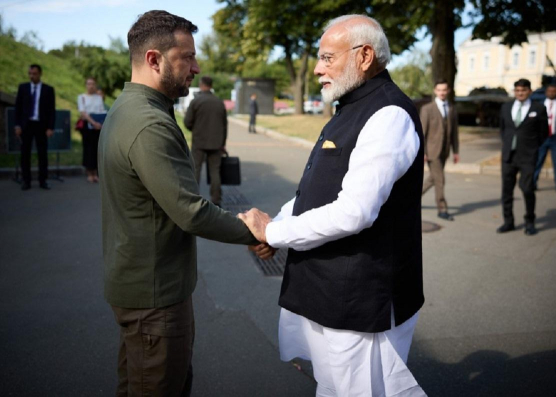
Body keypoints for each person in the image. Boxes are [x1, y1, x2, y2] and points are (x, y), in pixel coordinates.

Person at [239, 15, 426, 396]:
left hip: (359, 297)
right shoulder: (351, 106)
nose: (318, 69)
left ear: (365, 55)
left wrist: (273, 231)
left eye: (327, 58)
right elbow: (316, 191)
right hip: (327, 289)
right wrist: (276, 227)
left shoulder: (387, 113)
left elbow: (353, 211)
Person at [98, 11, 257, 397]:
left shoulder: (131, 109)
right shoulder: (148, 124)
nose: (197, 66)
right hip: (155, 298)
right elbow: (190, 211)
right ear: (154, 59)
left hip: (144, 287)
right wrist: (253, 231)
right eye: (187, 56)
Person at [497, 79, 547, 236]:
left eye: (523, 90)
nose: (520, 93)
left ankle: (530, 221)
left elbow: (543, 133)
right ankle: (508, 221)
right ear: (514, 91)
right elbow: (503, 129)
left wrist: (532, 147)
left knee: (527, 189)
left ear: (529, 91)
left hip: (527, 156)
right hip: (508, 156)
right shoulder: (506, 107)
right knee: (506, 191)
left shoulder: (538, 108)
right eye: (517, 90)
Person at [184, 75, 227, 206]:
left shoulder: (196, 102)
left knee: (195, 170)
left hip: (199, 141)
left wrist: (195, 130)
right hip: (216, 143)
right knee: (215, 172)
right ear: (211, 85)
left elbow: (187, 122)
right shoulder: (219, 102)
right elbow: (224, 125)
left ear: (202, 85)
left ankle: (194, 199)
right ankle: (216, 200)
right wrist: (222, 143)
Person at [420, 80, 459, 221]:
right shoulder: (427, 109)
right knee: (440, 179)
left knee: (433, 178)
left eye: (444, 90)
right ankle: (442, 209)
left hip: (445, 151)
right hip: (431, 151)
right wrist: (422, 151)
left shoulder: (452, 108)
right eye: (439, 90)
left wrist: (456, 151)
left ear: (447, 91)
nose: (442, 92)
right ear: (435, 91)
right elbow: (422, 132)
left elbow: (454, 132)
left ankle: (411, 198)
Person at [14, 64, 55, 190]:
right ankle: (26, 181)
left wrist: (50, 127)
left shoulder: (48, 89)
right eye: (30, 74)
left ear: (40, 74)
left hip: (41, 125)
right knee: (25, 154)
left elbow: (51, 111)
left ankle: (43, 180)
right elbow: (18, 108)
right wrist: (17, 125)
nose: (32, 76)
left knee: (42, 154)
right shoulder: (23, 88)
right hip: (26, 125)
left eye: (34, 74)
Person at [77, 77, 106, 183]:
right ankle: (89, 172)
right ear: (86, 85)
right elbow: (83, 113)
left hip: (98, 126)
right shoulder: (82, 97)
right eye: (89, 84)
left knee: (97, 149)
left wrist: (100, 123)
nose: (91, 86)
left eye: (93, 84)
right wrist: (93, 122)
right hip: (88, 126)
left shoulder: (99, 97)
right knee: (88, 149)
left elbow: (101, 110)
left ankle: (96, 173)